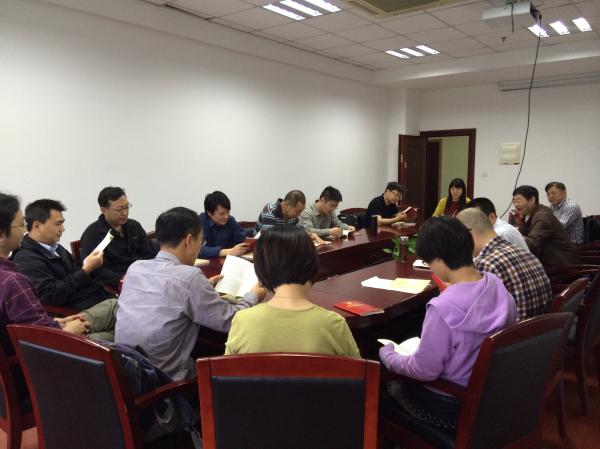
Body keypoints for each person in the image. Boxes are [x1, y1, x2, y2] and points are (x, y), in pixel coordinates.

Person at [379, 216, 516, 431]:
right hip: (491, 396)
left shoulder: (442, 308)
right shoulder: (498, 287)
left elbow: (424, 371)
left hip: (450, 405)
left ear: (439, 260)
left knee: (385, 384)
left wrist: (388, 354)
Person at [115, 207, 266, 381]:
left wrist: (203, 288)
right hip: (165, 381)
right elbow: (232, 321)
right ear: (189, 240)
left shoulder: (135, 268)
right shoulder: (189, 278)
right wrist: (254, 295)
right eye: (201, 241)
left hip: (128, 371)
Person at [225, 225, 360, 357]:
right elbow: (358, 370)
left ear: (261, 269)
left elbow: (226, 369)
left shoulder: (242, 321)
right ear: (313, 264)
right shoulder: (334, 324)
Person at [12, 199, 116, 311]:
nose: (63, 229)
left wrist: (90, 268)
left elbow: (76, 274)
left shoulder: (55, 247)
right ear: (37, 226)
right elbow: (50, 295)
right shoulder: (25, 257)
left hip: (92, 299)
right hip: (74, 312)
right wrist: (86, 270)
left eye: (62, 223)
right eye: (58, 224)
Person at [457, 208, 552, 321]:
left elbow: (478, 317)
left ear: (468, 234)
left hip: (513, 330)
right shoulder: (523, 251)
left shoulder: (485, 264)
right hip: (544, 327)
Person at [80, 186, 157, 289]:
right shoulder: (92, 234)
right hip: (119, 283)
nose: (124, 213)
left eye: (127, 207)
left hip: (144, 276)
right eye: (119, 209)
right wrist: (122, 279)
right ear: (104, 210)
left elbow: (148, 254)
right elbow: (97, 271)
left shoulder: (134, 226)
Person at [512, 185, 578, 271]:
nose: (516, 205)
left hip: (561, 266)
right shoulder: (528, 214)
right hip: (547, 261)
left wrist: (515, 238)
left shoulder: (542, 216)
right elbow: (520, 234)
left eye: (518, 201)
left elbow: (531, 244)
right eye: (514, 201)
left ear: (532, 200)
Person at [254, 190, 324, 244]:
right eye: (298, 211)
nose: (299, 215)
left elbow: (301, 232)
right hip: (261, 249)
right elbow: (271, 239)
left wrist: (311, 235)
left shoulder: (293, 216)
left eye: (301, 212)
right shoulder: (270, 211)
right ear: (286, 205)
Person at [198, 191, 248, 258]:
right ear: (209, 212)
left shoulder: (230, 220)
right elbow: (198, 250)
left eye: (228, 212)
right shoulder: (199, 223)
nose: (226, 217)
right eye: (222, 214)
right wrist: (226, 252)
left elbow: (242, 239)